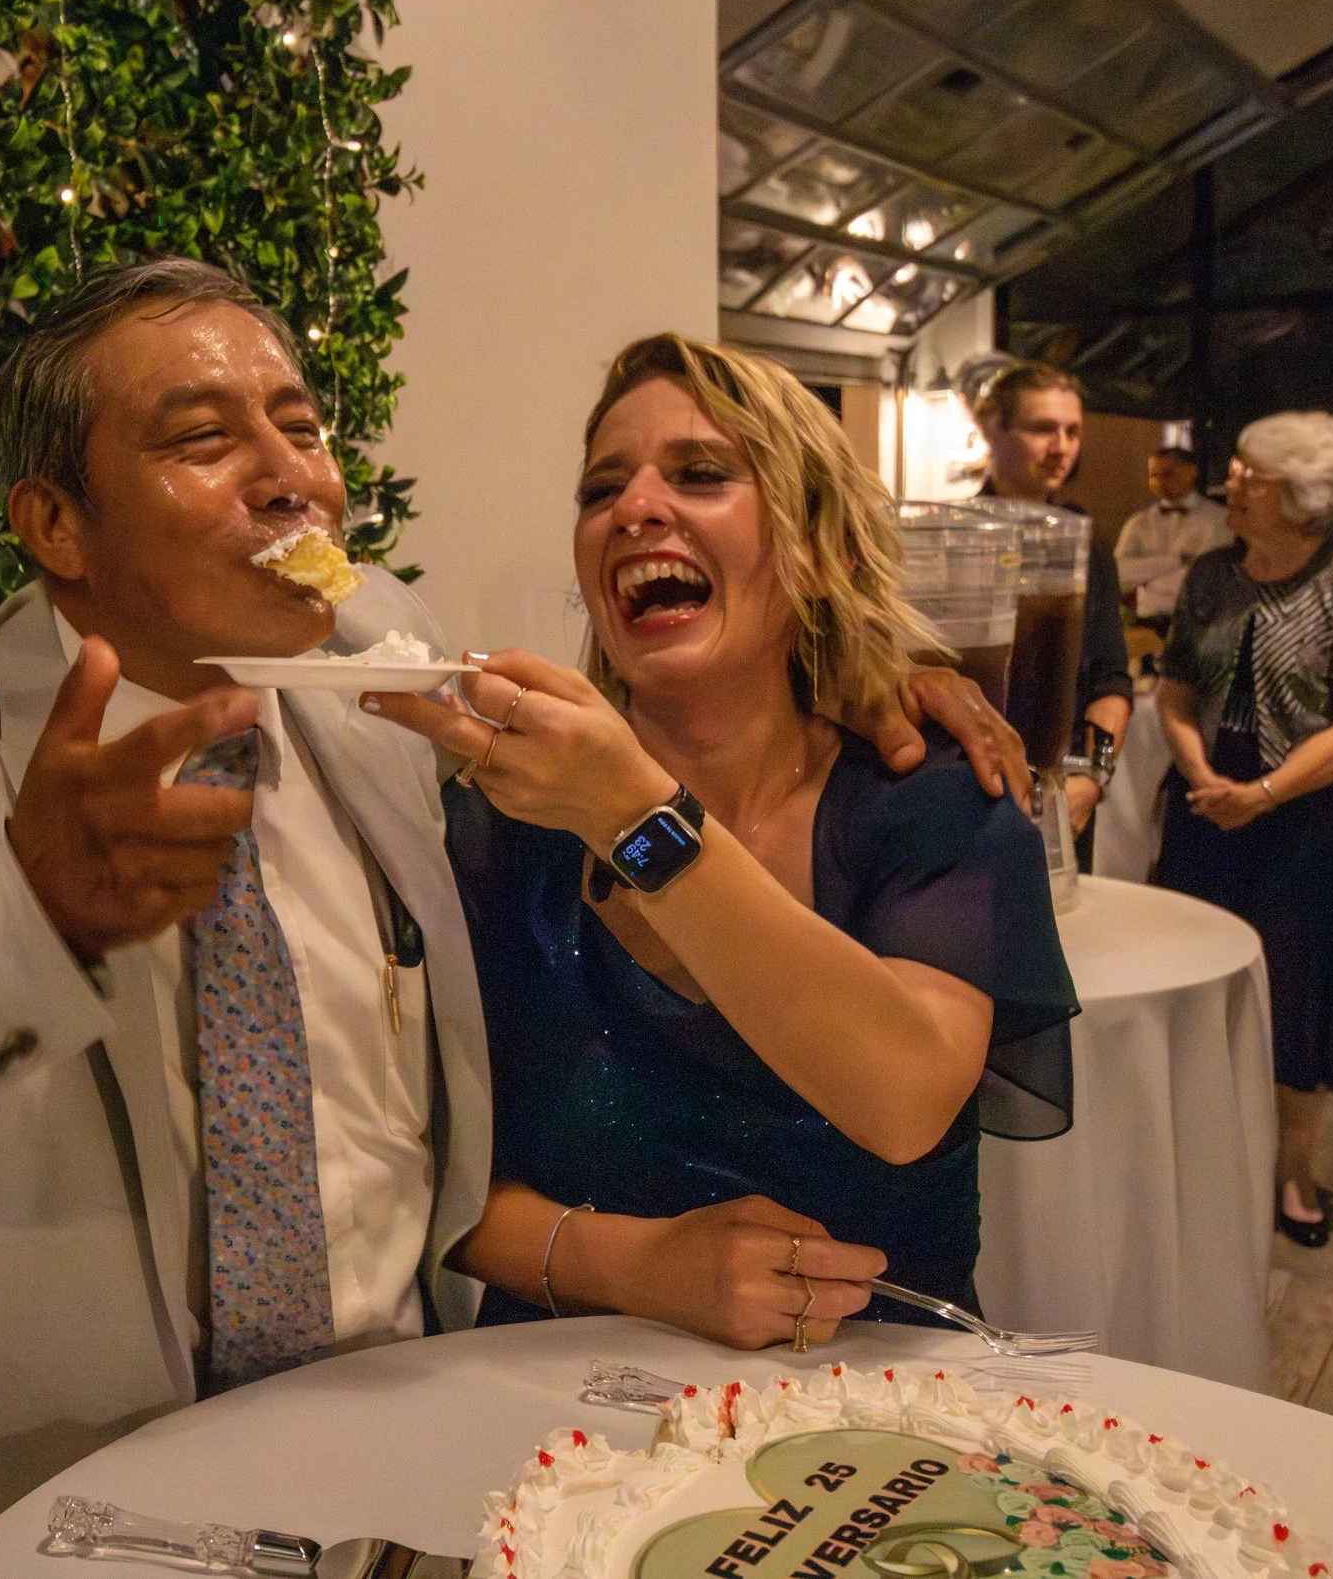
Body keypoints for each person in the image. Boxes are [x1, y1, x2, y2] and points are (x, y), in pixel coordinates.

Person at [0, 262, 1025, 1575]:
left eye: (303, 429)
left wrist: (870, 668)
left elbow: (647, 728)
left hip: (403, 1482)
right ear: (54, 521)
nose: (292, 480)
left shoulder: (379, 661)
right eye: (202, 438)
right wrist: (12, 922)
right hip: (41, 1520)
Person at [363, 333, 1074, 1349]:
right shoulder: (505, 825)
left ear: (824, 551)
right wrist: (636, 1266)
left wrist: (634, 819)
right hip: (556, 1394)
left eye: (700, 473)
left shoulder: (931, 800)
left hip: (878, 1405)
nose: (634, 508)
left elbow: (905, 1095)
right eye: (601, 489)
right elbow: (417, 1169)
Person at [1149, 412, 1333, 1250]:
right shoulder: (1211, 574)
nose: (1231, 481)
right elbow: (1174, 692)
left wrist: (1264, 792)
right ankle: (1205, 1162)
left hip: (1309, 816)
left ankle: (1292, 1171)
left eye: (1250, 473)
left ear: (1298, 493)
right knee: (1198, 983)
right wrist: (1202, 775)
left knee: (1296, 993)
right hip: (1208, 803)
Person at [974, 362, 1131, 837]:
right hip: (972, 782)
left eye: (1072, 431)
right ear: (992, 428)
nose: (1061, 447)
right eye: (1043, 428)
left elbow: (1110, 680)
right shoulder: (959, 535)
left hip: (1057, 788)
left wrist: (1093, 779)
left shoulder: (1088, 544)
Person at [1113, 445, 1232, 631]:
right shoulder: (1138, 523)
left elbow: (1206, 582)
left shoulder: (1219, 519)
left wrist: (1145, 587)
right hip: (1143, 627)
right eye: (1154, 475)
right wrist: (1177, 561)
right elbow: (1119, 573)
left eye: (1168, 474)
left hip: (1200, 626)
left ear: (1191, 473)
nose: (1160, 481)